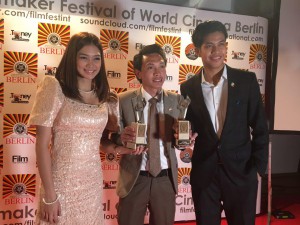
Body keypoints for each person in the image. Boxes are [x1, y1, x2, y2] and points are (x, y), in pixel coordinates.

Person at [28, 32, 129, 224]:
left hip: (92, 181)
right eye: (84, 57)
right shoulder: (54, 88)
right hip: (61, 183)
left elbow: (101, 141)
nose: (91, 65)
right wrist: (50, 195)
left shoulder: (107, 97)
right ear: (72, 58)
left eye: (96, 59)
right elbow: (41, 146)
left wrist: (118, 148)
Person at [180, 20, 269, 225]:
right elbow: (189, 127)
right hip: (205, 175)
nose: (216, 50)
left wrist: (257, 168)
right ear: (198, 50)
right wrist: (181, 135)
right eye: (209, 45)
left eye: (221, 43)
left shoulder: (246, 81)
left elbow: (260, 127)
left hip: (241, 172)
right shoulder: (188, 88)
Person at [113, 44, 196, 225]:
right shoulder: (123, 100)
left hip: (165, 179)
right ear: (138, 73)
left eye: (161, 66)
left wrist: (184, 141)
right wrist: (123, 138)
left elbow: (178, 141)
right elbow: (113, 135)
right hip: (134, 178)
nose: (158, 72)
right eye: (150, 67)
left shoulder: (177, 101)